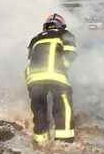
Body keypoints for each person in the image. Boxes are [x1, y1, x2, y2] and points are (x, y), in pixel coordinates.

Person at [25, 13, 77, 146]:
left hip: (34, 79)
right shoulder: (65, 34)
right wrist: (62, 67)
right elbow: (71, 53)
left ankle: (41, 142)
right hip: (56, 76)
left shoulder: (35, 38)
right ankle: (64, 144)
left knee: (39, 109)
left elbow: (30, 60)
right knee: (62, 107)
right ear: (61, 25)